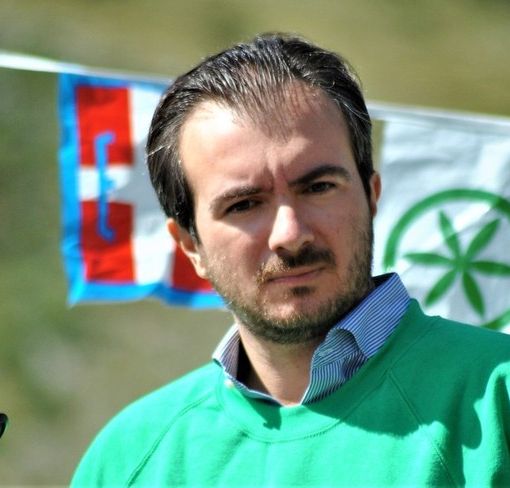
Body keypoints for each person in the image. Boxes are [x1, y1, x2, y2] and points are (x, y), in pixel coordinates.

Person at [71, 33, 510, 487]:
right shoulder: (128, 458)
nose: (290, 234)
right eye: (243, 205)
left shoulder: (499, 398)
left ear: (372, 195)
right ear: (190, 246)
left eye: (318, 188)